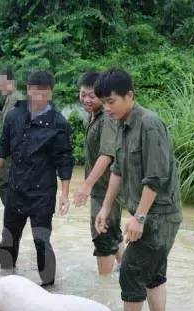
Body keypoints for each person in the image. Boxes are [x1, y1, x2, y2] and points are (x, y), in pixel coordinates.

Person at [94, 68, 182, 311]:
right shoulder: (122, 124)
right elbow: (118, 170)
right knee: (153, 274)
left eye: (112, 102)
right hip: (146, 214)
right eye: (104, 103)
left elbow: (155, 177)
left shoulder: (150, 124)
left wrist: (140, 217)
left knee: (130, 270)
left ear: (129, 95)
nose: (107, 108)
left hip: (160, 215)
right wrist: (106, 208)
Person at [0, 70, 73, 287]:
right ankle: (5, 282)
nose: (39, 98)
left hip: (42, 192)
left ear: (51, 93)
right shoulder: (14, 116)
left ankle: (50, 289)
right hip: (16, 188)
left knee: (41, 239)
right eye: (35, 93)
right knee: (8, 237)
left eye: (44, 94)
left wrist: (64, 194)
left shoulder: (59, 123)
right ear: (28, 90)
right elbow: (3, 146)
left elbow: (64, 160)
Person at [73, 71, 124, 276]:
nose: (86, 99)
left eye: (91, 95)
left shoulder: (107, 119)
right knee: (113, 233)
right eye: (83, 94)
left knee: (102, 235)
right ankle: (126, 269)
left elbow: (106, 155)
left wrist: (86, 186)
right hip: (101, 188)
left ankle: (103, 289)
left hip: (106, 189)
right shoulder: (93, 116)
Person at [0, 68, 24, 205]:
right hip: (10, 149)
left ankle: (14, 212)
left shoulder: (16, 99)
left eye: (1, 83)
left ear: (10, 82)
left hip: (13, 151)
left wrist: (5, 149)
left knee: (3, 182)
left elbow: (18, 129)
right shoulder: (11, 98)